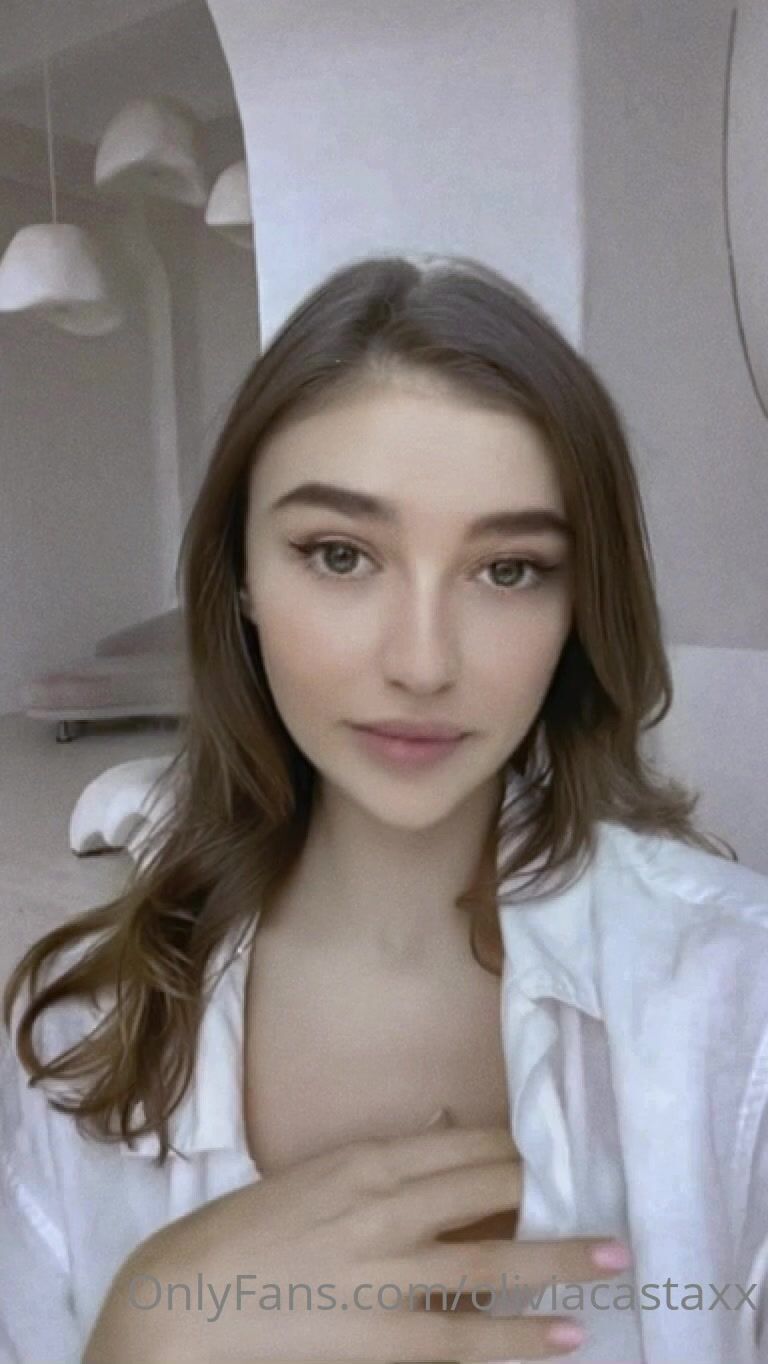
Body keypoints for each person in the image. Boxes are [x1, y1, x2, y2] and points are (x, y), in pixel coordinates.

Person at [1, 252, 767, 1364]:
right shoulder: (79, 1033)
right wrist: (139, 1334)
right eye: (341, 554)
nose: (422, 662)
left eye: (509, 569)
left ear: (578, 604)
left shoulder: (739, 1000)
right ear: (241, 576)